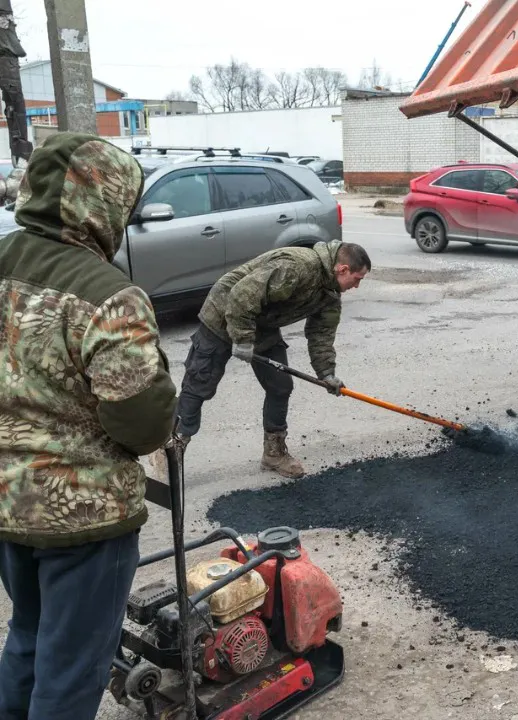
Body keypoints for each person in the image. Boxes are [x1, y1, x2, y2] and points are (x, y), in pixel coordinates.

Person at [0, 133, 178, 719]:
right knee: (73, 667)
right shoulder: (107, 295)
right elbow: (143, 423)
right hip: (83, 520)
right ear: (108, 203)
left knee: (28, 633)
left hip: (6, 505)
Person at [172, 241, 371, 479]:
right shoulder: (298, 267)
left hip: (263, 324)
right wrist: (243, 339)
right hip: (222, 315)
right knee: (199, 385)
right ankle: (172, 447)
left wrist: (326, 373)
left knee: (280, 386)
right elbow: (241, 296)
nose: (357, 286)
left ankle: (274, 454)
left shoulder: (330, 296)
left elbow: (321, 335)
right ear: (343, 269)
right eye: (357, 279)